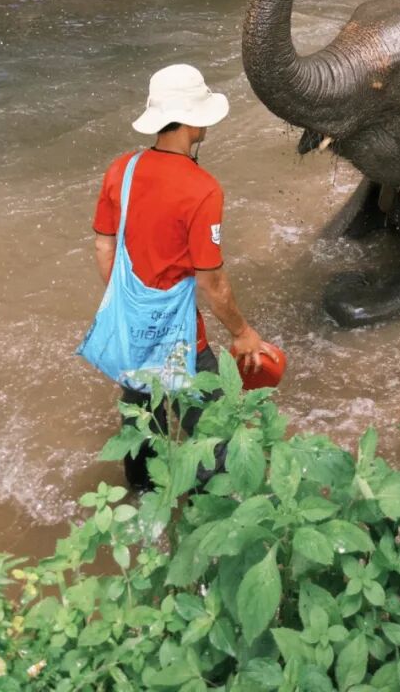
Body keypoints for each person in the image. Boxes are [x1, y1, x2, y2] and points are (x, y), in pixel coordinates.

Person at [91, 63, 273, 491]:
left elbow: (104, 246)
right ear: (192, 122)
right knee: (217, 442)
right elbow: (212, 282)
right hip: (181, 337)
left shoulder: (122, 170)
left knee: (140, 425)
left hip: (132, 327)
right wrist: (243, 333)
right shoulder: (202, 189)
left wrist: (133, 306)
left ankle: (141, 512)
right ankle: (211, 523)